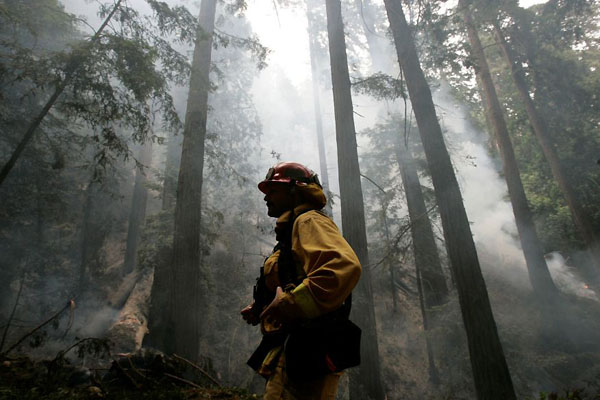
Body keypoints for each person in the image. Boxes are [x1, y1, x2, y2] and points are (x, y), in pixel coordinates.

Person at [241, 161, 362, 400]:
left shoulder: (308, 222)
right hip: (296, 347)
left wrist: (291, 304)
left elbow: (342, 267)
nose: (266, 197)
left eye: (273, 190)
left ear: (295, 191)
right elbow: (289, 278)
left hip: (311, 349)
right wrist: (260, 308)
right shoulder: (290, 233)